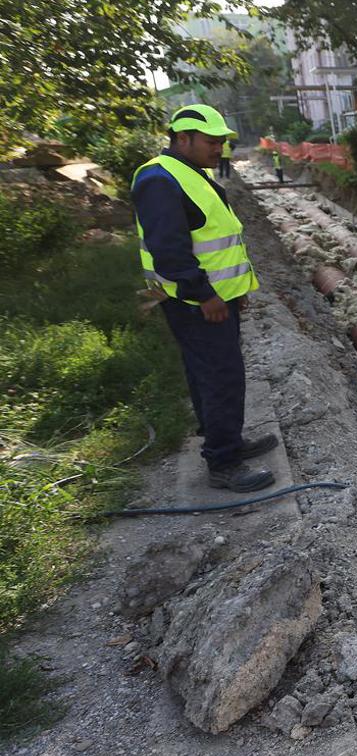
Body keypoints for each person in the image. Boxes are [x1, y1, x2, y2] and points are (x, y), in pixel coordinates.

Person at [132, 104, 276, 493]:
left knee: (208, 374)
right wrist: (206, 295)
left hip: (215, 298)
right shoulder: (159, 179)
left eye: (221, 143)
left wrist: (235, 293)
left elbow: (217, 240)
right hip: (195, 302)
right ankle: (224, 462)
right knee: (221, 377)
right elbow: (170, 249)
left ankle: (226, 440)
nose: (219, 150)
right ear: (183, 138)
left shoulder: (190, 173)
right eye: (212, 143)